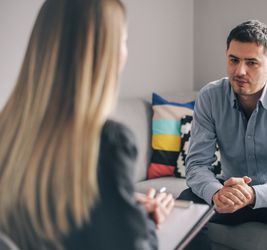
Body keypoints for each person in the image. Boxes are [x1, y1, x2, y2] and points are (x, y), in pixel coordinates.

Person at [0, 0, 174, 249]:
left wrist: (122, 205)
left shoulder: (9, 132)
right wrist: (144, 223)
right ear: (106, 52)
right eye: (124, 40)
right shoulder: (107, 142)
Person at [178, 20, 267, 250]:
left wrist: (254, 194)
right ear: (226, 55)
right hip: (231, 196)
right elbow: (196, 165)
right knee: (186, 204)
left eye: (252, 63)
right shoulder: (210, 97)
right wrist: (217, 193)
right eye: (233, 60)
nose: (240, 71)